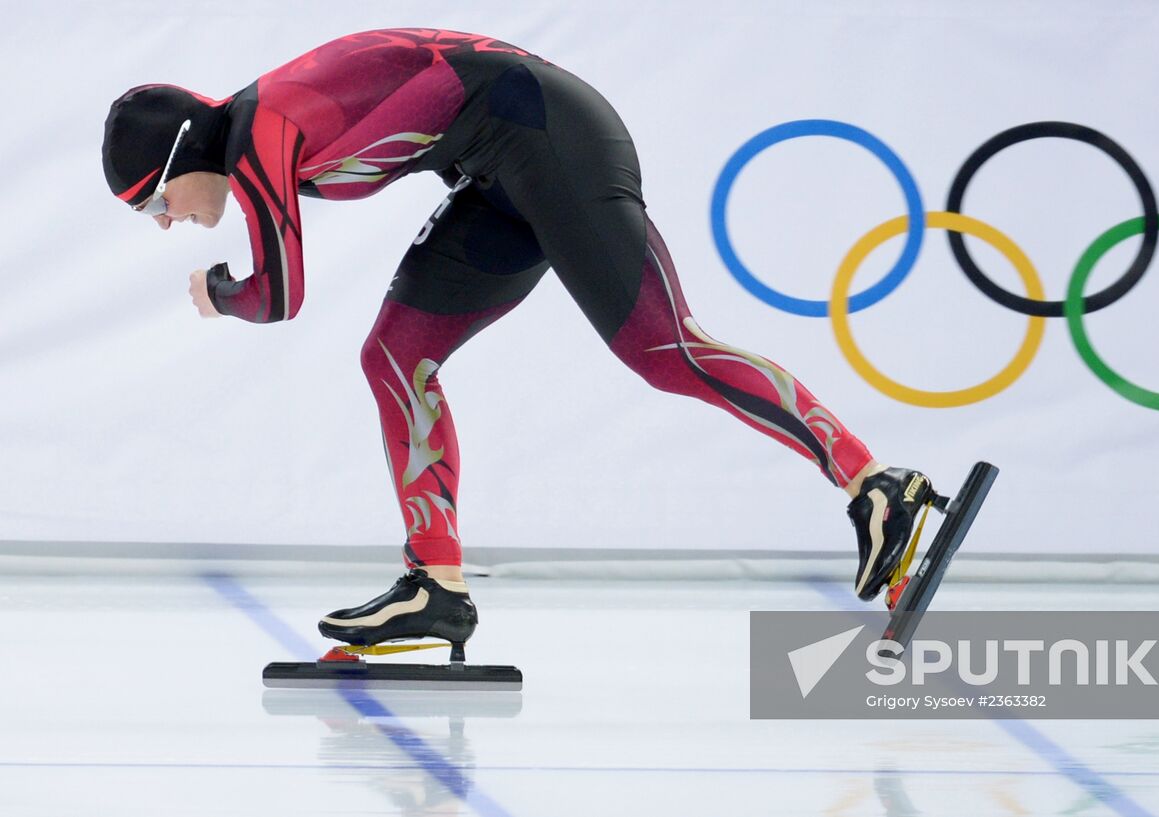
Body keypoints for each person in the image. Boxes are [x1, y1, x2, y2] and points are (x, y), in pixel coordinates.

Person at [101, 28, 939, 653]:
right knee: (393, 358)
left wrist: (219, 293)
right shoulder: (253, 129)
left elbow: (279, 296)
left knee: (664, 350)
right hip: (493, 169)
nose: (165, 220)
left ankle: (875, 482)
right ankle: (435, 583)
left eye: (154, 202)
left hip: (549, 135)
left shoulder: (259, 134)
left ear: (180, 155)